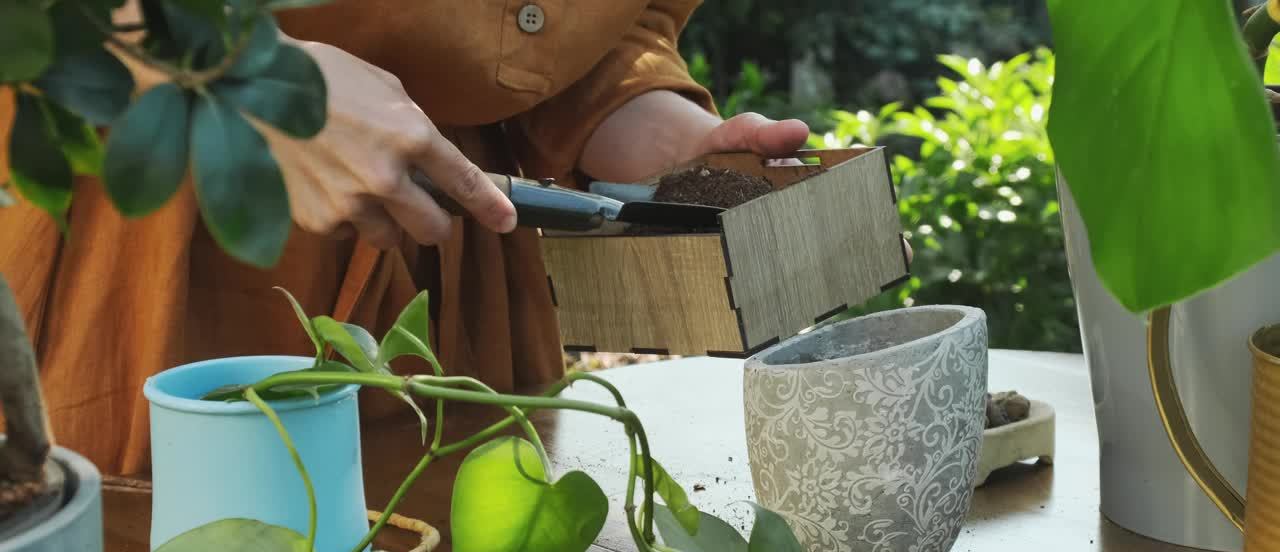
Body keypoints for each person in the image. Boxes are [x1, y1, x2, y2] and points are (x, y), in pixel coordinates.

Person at [0, 1, 826, 477]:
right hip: (157, 247)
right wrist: (241, 74)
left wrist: (625, 112)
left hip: (459, 284)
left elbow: (557, 27)